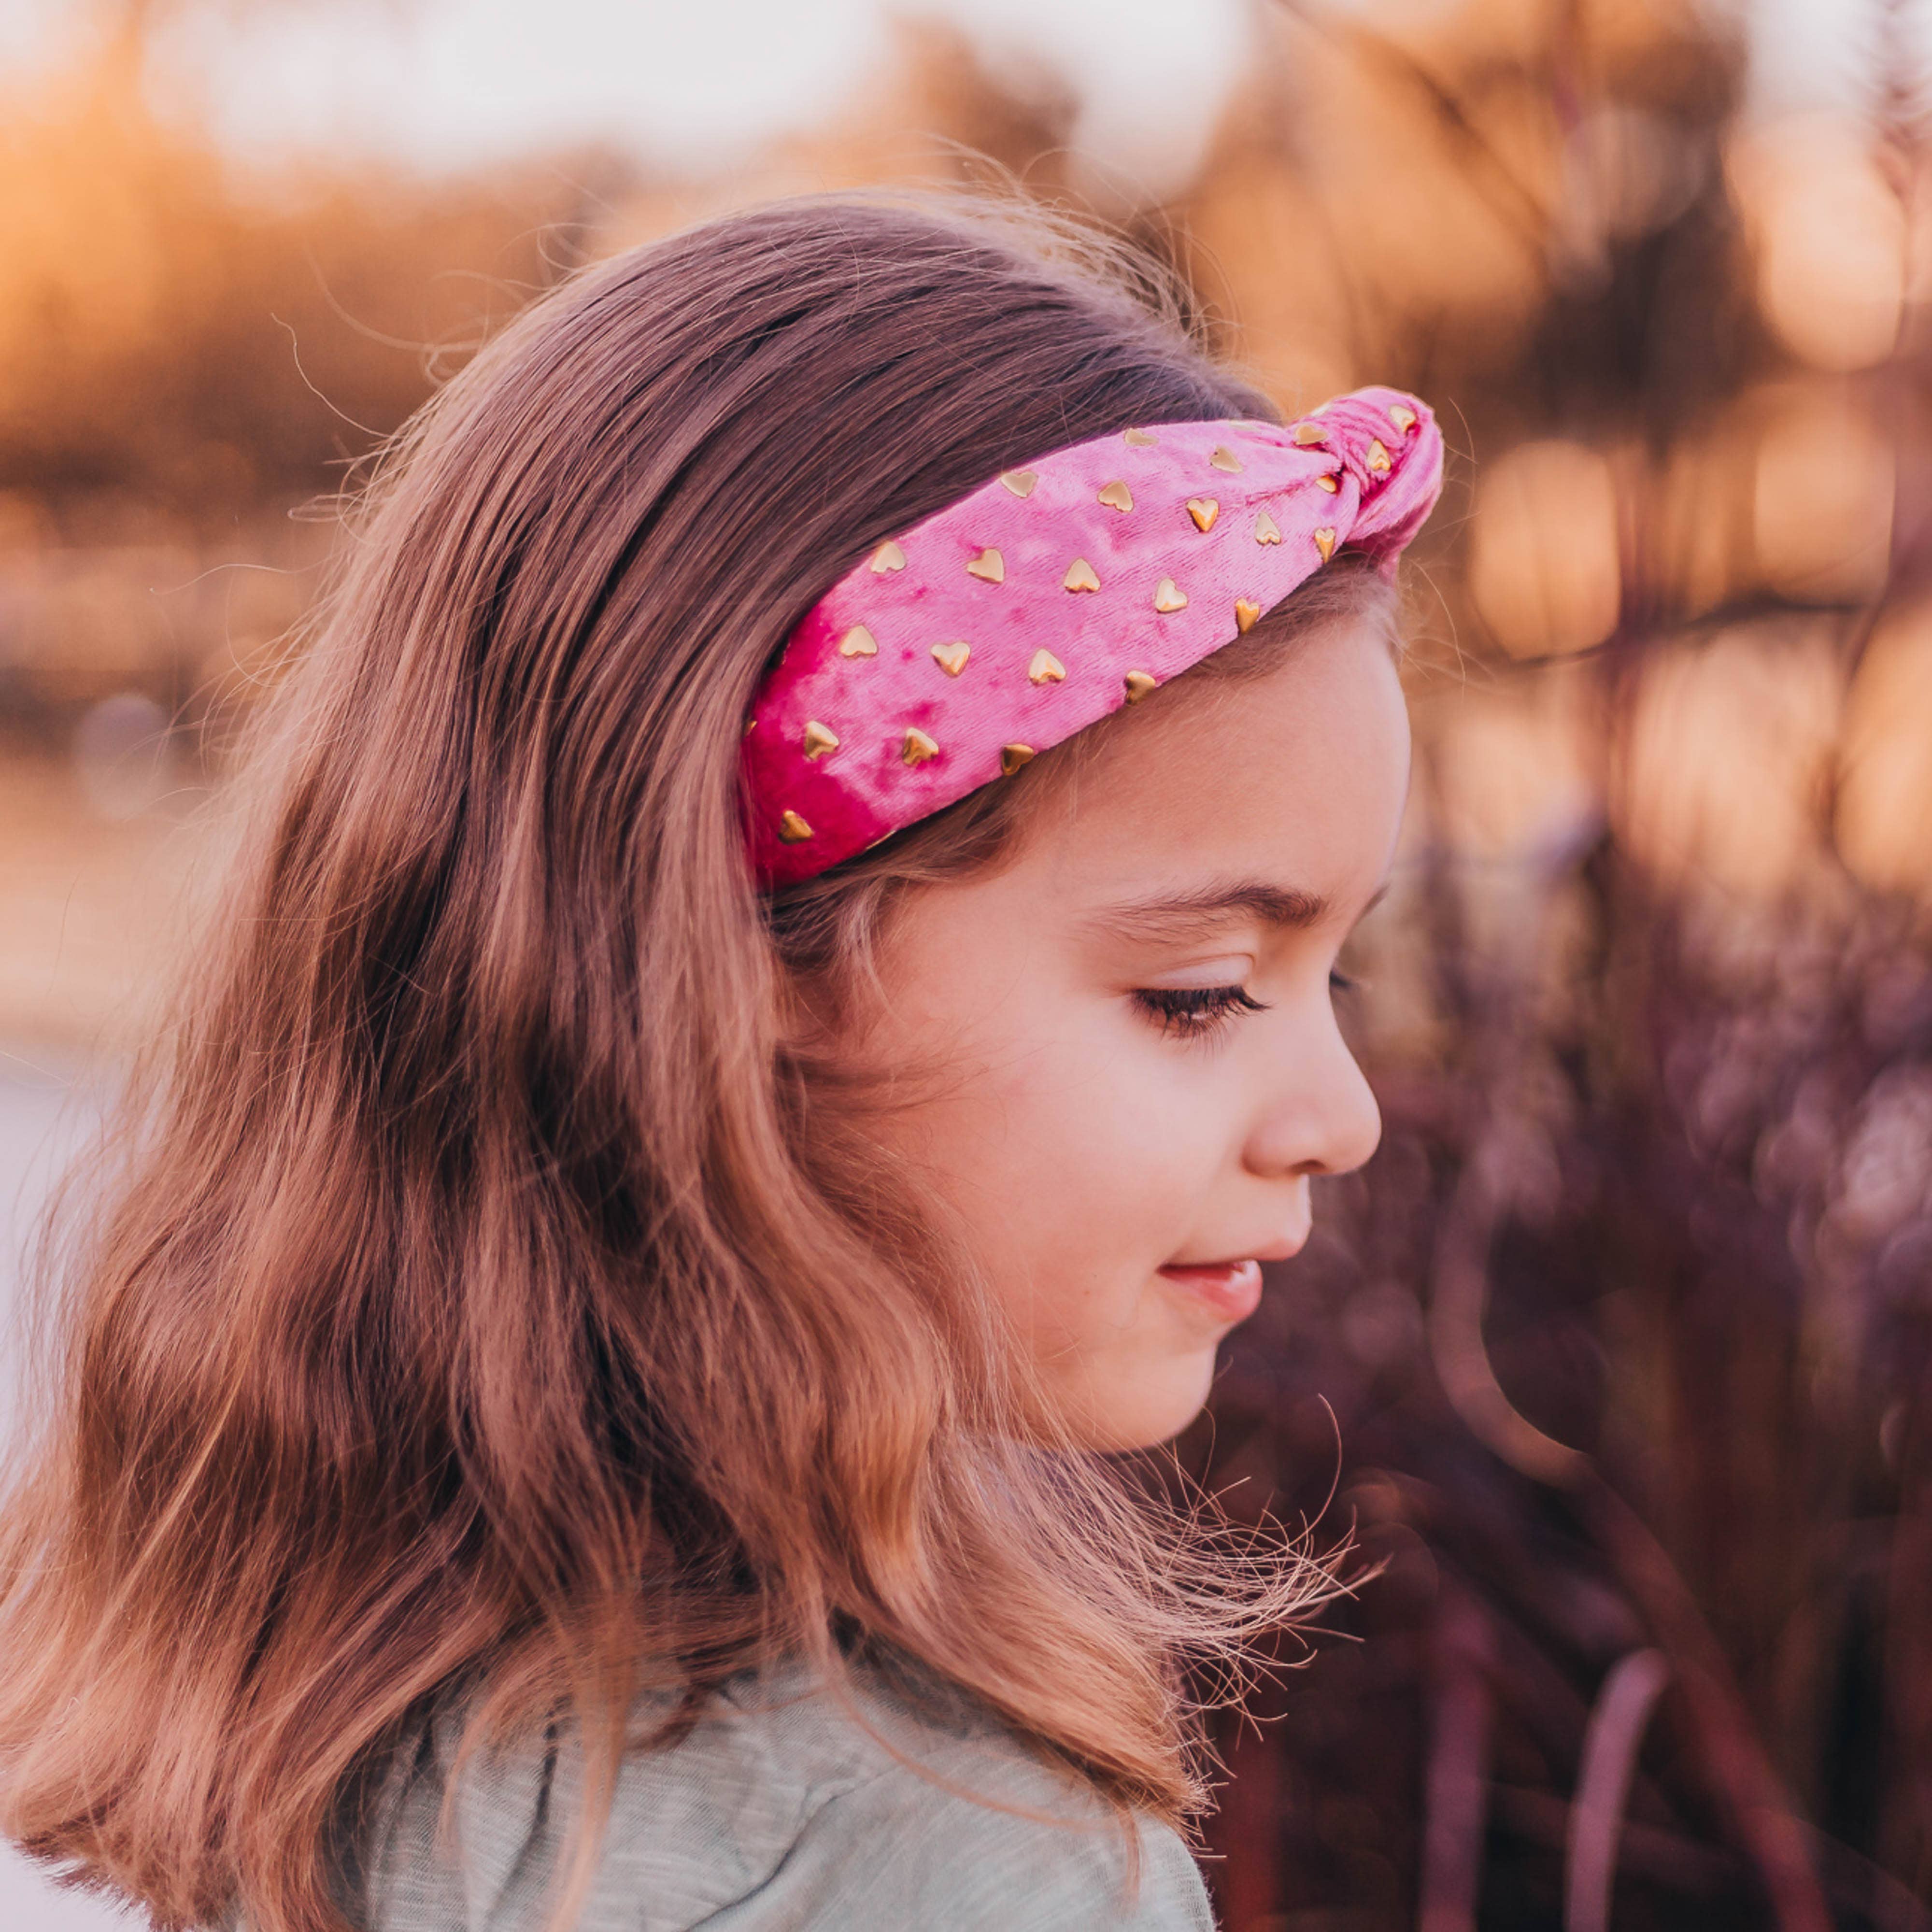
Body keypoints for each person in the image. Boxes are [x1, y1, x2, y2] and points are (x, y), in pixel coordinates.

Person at [0, 194, 1441, 1931]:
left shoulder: (192, 1675)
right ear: (735, 953)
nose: (1341, 1117)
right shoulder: (966, 1853)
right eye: (1203, 993)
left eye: (1334, 969)